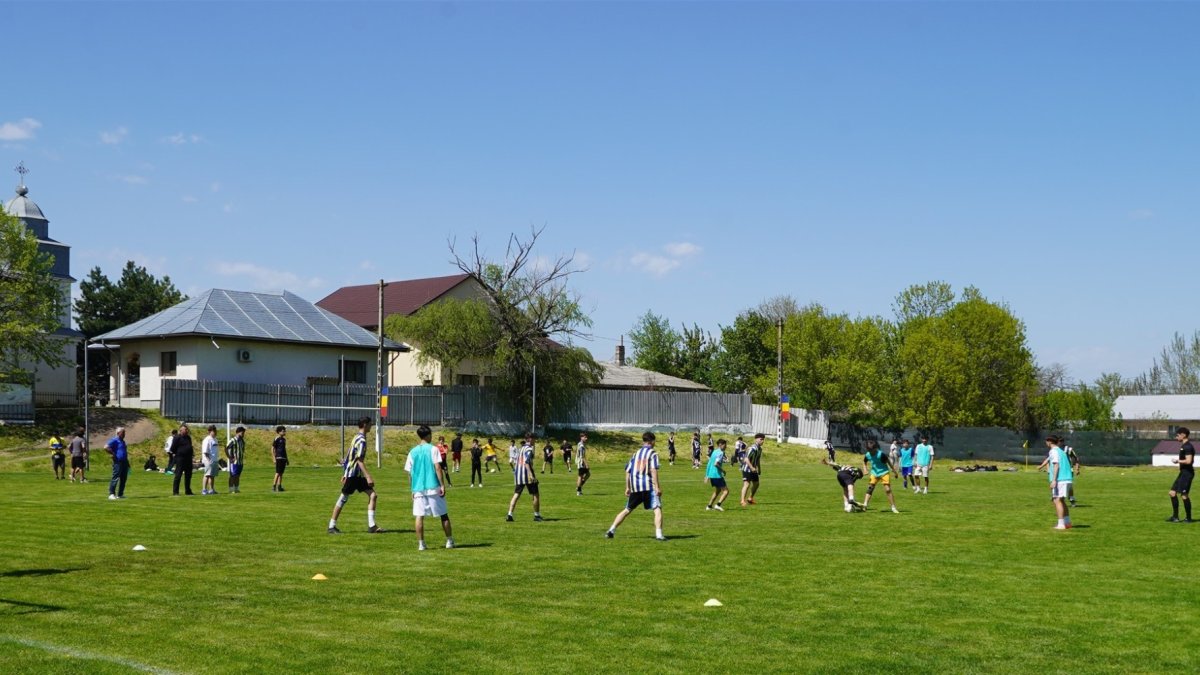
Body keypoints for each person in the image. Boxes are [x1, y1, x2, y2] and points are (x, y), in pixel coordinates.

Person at [605, 431, 665, 541]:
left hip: (636, 487)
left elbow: (627, 471)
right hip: (649, 487)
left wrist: (627, 487)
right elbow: (653, 470)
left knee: (627, 509)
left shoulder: (635, 454)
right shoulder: (653, 454)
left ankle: (611, 530)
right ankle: (659, 534)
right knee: (657, 509)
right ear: (652, 441)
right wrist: (657, 487)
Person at [328, 417, 384, 534]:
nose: (371, 426)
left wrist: (344, 473)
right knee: (343, 498)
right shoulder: (361, 440)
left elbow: (348, 457)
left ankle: (372, 525)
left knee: (373, 495)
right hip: (354, 475)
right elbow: (359, 460)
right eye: (370, 424)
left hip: (356, 475)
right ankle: (331, 526)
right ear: (364, 425)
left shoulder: (356, 437)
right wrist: (368, 476)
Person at [406, 425, 454, 550]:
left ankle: (421, 544)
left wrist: (412, 489)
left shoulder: (412, 451)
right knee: (443, 514)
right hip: (433, 486)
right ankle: (449, 541)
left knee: (419, 516)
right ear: (427, 435)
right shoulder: (433, 449)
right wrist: (442, 485)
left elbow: (409, 473)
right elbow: (437, 467)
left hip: (418, 488)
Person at [507, 433, 542, 522]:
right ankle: (537, 515)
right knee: (536, 494)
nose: (535, 440)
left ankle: (509, 514)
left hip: (518, 474)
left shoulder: (521, 448)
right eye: (534, 439)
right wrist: (531, 475)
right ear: (530, 439)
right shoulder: (529, 449)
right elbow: (526, 462)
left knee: (516, 494)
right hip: (527, 475)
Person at [860, 439, 899, 513]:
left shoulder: (881, 454)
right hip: (874, 473)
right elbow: (864, 462)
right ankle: (865, 505)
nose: (870, 452)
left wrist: (894, 471)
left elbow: (888, 462)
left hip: (884, 472)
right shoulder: (868, 454)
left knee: (887, 489)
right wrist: (865, 469)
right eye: (868, 450)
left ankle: (893, 507)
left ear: (875, 448)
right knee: (870, 488)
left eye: (871, 450)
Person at [1044, 435, 1073, 530]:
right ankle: (1067, 522)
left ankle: (1061, 524)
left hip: (1060, 479)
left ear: (1049, 441)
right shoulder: (1061, 451)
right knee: (1062, 500)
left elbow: (1056, 465)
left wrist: (1054, 480)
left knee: (1057, 500)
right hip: (1067, 478)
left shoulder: (1053, 451)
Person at [1168, 427, 1194, 523]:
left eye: (1177, 435)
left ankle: (1188, 518)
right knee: (1172, 493)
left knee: (1184, 495)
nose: (1176, 437)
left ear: (1183, 435)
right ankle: (1175, 517)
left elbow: (1189, 461)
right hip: (1183, 473)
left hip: (1187, 474)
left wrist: (1177, 461)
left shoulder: (1188, 446)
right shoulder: (1184, 445)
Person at [105, 427, 130, 500]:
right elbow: (106, 447)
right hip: (117, 462)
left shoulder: (123, 441)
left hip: (124, 461)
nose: (124, 434)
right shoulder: (114, 440)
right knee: (115, 477)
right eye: (123, 433)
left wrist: (127, 462)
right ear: (118, 433)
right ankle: (111, 493)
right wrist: (112, 454)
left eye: (124, 433)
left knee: (123, 478)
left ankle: (120, 494)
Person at [740, 433, 764, 507]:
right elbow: (746, 459)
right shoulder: (752, 448)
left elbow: (758, 459)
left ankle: (750, 498)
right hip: (747, 469)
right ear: (756, 439)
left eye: (763, 439)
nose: (762, 441)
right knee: (746, 484)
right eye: (761, 439)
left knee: (756, 484)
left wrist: (759, 468)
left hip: (753, 470)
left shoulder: (759, 449)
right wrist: (752, 467)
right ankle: (742, 501)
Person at [171, 424, 195, 496]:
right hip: (180, 459)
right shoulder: (177, 438)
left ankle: (188, 490)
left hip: (188, 459)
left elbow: (190, 446)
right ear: (181, 430)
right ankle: (175, 492)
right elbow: (172, 448)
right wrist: (179, 453)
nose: (187, 430)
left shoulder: (188, 438)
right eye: (185, 429)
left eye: (187, 429)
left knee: (188, 475)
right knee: (178, 475)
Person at [705, 439, 729, 511]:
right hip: (717, 475)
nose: (726, 446)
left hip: (712, 475)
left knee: (717, 490)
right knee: (726, 491)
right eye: (725, 445)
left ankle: (709, 506)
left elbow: (709, 463)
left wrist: (707, 475)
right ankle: (718, 505)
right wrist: (723, 470)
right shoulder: (721, 453)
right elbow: (716, 464)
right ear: (720, 445)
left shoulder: (714, 451)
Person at [201, 425, 222, 495]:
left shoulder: (215, 439)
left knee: (212, 475)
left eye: (215, 431)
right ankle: (204, 489)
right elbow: (205, 451)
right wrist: (209, 460)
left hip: (215, 459)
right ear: (210, 431)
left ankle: (211, 489)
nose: (215, 432)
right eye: (214, 431)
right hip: (208, 460)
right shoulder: (207, 439)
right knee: (207, 474)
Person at [225, 426, 246, 494]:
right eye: (242, 433)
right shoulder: (233, 440)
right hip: (234, 462)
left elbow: (242, 450)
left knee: (237, 476)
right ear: (237, 432)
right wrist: (230, 457)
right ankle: (231, 489)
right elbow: (226, 448)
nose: (243, 434)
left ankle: (236, 488)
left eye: (243, 433)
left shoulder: (242, 441)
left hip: (240, 461)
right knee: (233, 475)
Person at [272, 425, 289, 492]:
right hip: (278, 457)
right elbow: (272, 448)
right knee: (277, 472)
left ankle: (279, 486)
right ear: (279, 432)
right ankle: (274, 486)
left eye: (285, 431)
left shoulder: (284, 440)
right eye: (283, 431)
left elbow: (284, 449)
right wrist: (273, 458)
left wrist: (287, 459)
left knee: (281, 473)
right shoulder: (277, 439)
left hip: (283, 458)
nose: (284, 432)